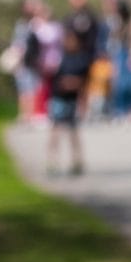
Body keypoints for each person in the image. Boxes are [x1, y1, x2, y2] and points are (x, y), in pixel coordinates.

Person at [42, 10, 95, 176]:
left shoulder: (82, 60)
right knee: (55, 131)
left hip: (72, 100)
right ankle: (52, 161)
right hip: (58, 98)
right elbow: (52, 78)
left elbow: (85, 83)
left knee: (73, 132)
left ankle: (77, 161)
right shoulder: (59, 58)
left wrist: (76, 86)